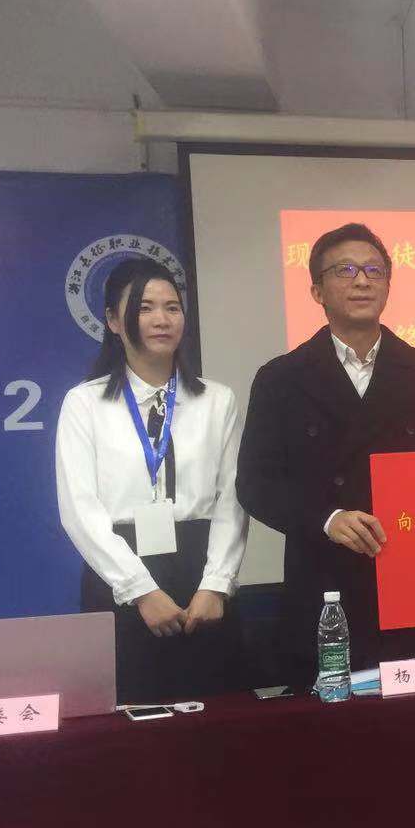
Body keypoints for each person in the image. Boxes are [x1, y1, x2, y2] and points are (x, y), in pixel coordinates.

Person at [237, 222, 415, 679]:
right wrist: (327, 518)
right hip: (323, 586)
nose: (362, 281)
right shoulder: (281, 378)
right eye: (345, 270)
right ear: (317, 291)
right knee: (330, 719)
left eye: (374, 270)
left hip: (408, 584)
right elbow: (256, 484)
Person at [56, 258, 248, 703]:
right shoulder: (84, 404)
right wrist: (140, 591)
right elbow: (80, 510)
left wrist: (216, 584)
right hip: (120, 575)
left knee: (218, 718)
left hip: (201, 574)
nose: (162, 319)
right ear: (112, 320)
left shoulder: (217, 400)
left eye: (172, 307)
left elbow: (233, 500)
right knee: (130, 719)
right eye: (144, 308)